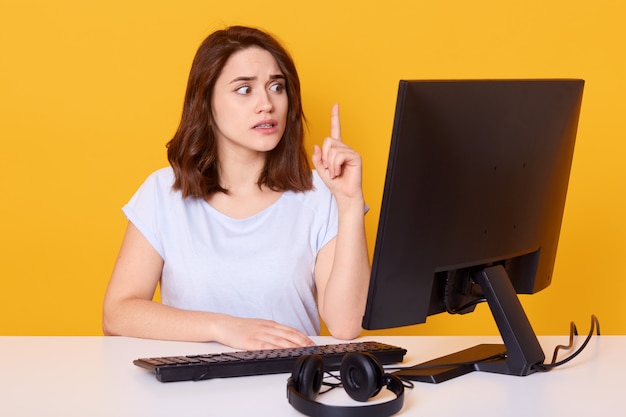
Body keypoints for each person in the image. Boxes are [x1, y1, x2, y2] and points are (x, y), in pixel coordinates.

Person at [102, 26, 370, 351]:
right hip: (188, 390)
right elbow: (117, 315)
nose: (267, 104)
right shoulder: (162, 192)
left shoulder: (319, 195)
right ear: (206, 103)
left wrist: (349, 202)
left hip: (289, 386)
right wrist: (224, 328)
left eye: (276, 87)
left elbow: (346, 325)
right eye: (244, 90)